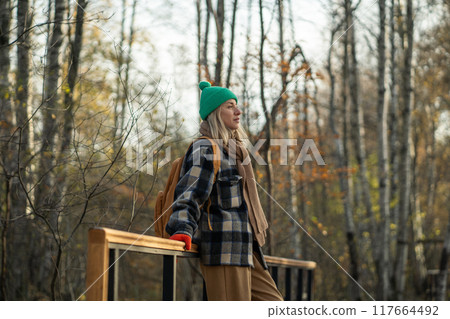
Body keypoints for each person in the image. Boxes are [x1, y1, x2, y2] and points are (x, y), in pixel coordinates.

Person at [166, 81, 283, 301]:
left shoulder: (235, 151)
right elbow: (189, 194)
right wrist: (182, 227)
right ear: (215, 113)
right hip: (224, 249)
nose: (238, 111)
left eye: (236, 105)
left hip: (246, 248)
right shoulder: (206, 147)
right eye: (230, 106)